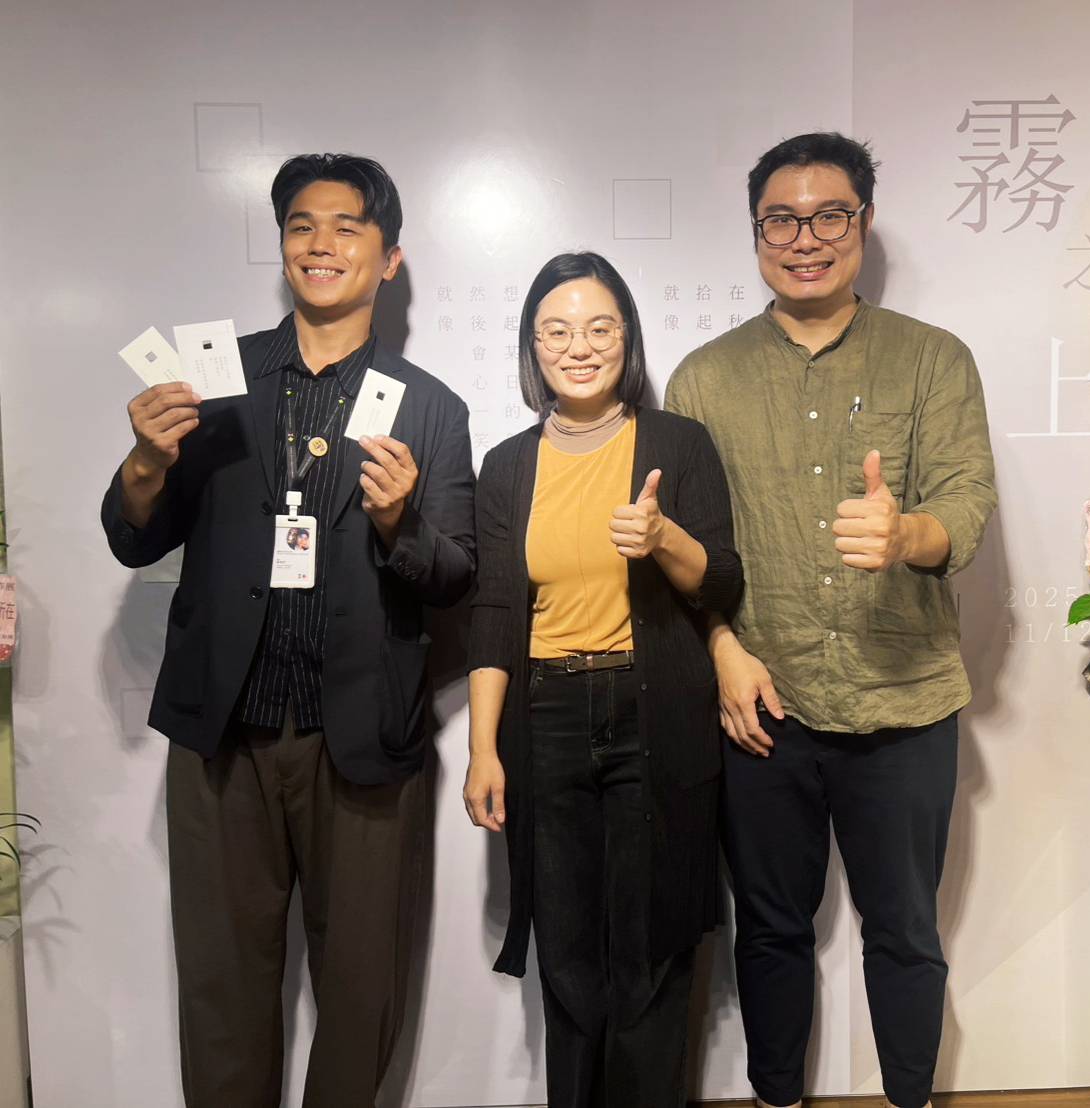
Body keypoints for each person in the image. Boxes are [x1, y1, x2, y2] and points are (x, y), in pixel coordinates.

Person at [101, 153, 475, 1106]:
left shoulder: (431, 406)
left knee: (362, 990)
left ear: (389, 258)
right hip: (223, 735)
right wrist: (145, 462)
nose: (321, 243)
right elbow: (133, 536)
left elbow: (454, 576)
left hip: (364, 737)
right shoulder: (215, 380)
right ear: (281, 248)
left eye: (348, 226)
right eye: (302, 225)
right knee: (221, 988)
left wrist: (399, 524)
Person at [666, 133, 997, 1108]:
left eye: (828, 216)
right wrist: (721, 646)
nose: (803, 238)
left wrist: (907, 534)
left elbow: (966, 505)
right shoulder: (702, 378)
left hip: (904, 698)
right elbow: (686, 550)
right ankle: (777, 1096)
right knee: (769, 930)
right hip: (761, 704)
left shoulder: (932, 360)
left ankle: (908, 1098)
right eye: (781, 219)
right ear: (755, 231)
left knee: (904, 931)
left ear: (863, 222)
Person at [463, 252, 743, 1107]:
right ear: (531, 347)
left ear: (628, 337)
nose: (578, 347)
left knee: (652, 943)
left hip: (653, 711)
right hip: (545, 717)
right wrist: (482, 748)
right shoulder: (507, 465)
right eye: (556, 331)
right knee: (569, 946)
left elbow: (724, 582)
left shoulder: (678, 443)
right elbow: (495, 611)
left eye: (598, 328)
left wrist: (664, 539)